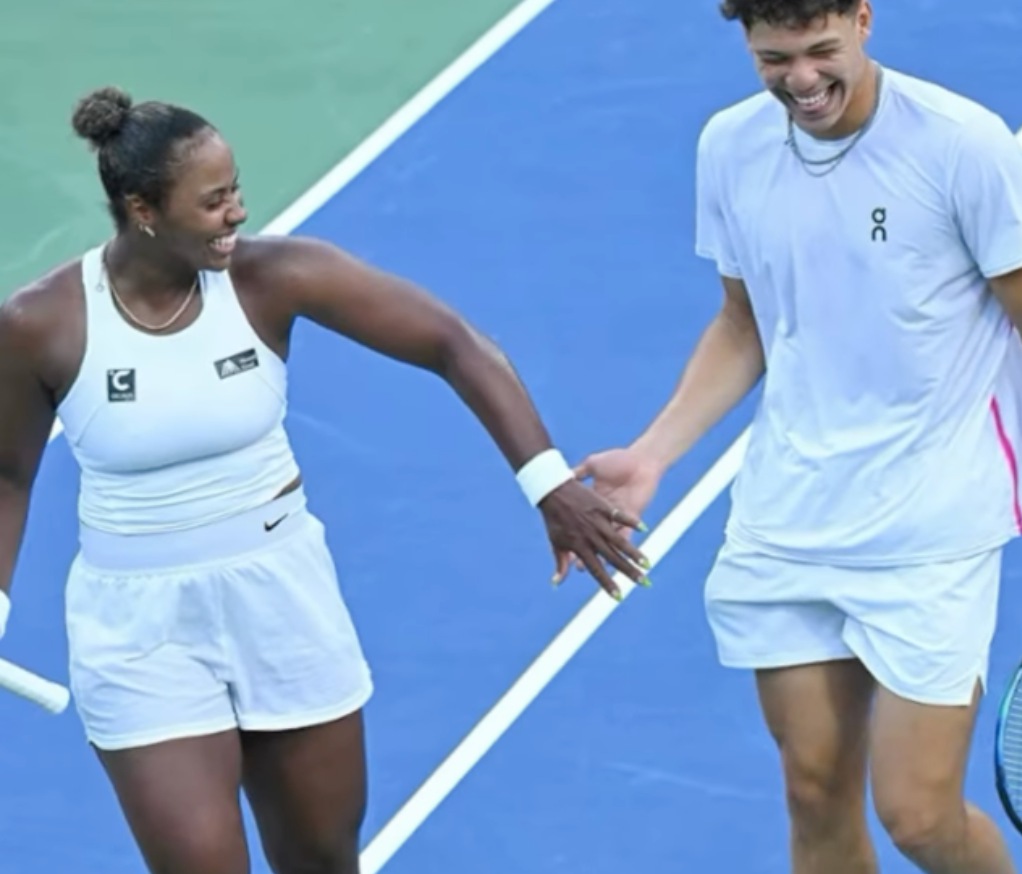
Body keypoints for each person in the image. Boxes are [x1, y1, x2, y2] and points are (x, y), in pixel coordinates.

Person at [0, 86, 648, 874]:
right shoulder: (43, 324)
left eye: (235, 188)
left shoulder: (274, 277)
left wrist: (548, 483)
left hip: (282, 598)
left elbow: (453, 342)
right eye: (212, 201)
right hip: (138, 629)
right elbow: (6, 473)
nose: (237, 211)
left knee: (319, 859)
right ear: (143, 208)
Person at [577, 0, 1022, 874]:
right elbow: (743, 321)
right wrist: (653, 452)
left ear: (863, 17)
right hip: (790, 517)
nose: (800, 81)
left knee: (921, 818)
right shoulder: (730, 148)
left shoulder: (960, 146)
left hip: (932, 527)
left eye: (820, 51)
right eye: (774, 59)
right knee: (812, 793)